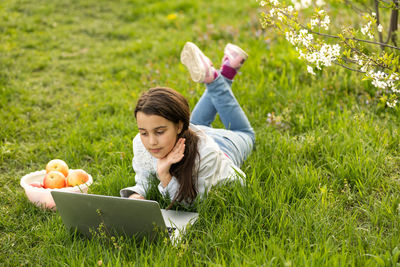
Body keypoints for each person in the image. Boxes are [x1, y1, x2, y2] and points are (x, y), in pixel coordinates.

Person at [120, 42, 255, 206]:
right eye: (144, 132)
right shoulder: (141, 143)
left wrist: (165, 176)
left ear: (179, 126)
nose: (151, 142)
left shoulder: (206, 155)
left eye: (159, 132)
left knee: (245, 132)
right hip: (193, 131)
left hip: (225, 145)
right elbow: (145, 180)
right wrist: (136, 195)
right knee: (197, 123)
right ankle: (221, 74)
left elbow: (194, 203)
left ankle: (215, 79)